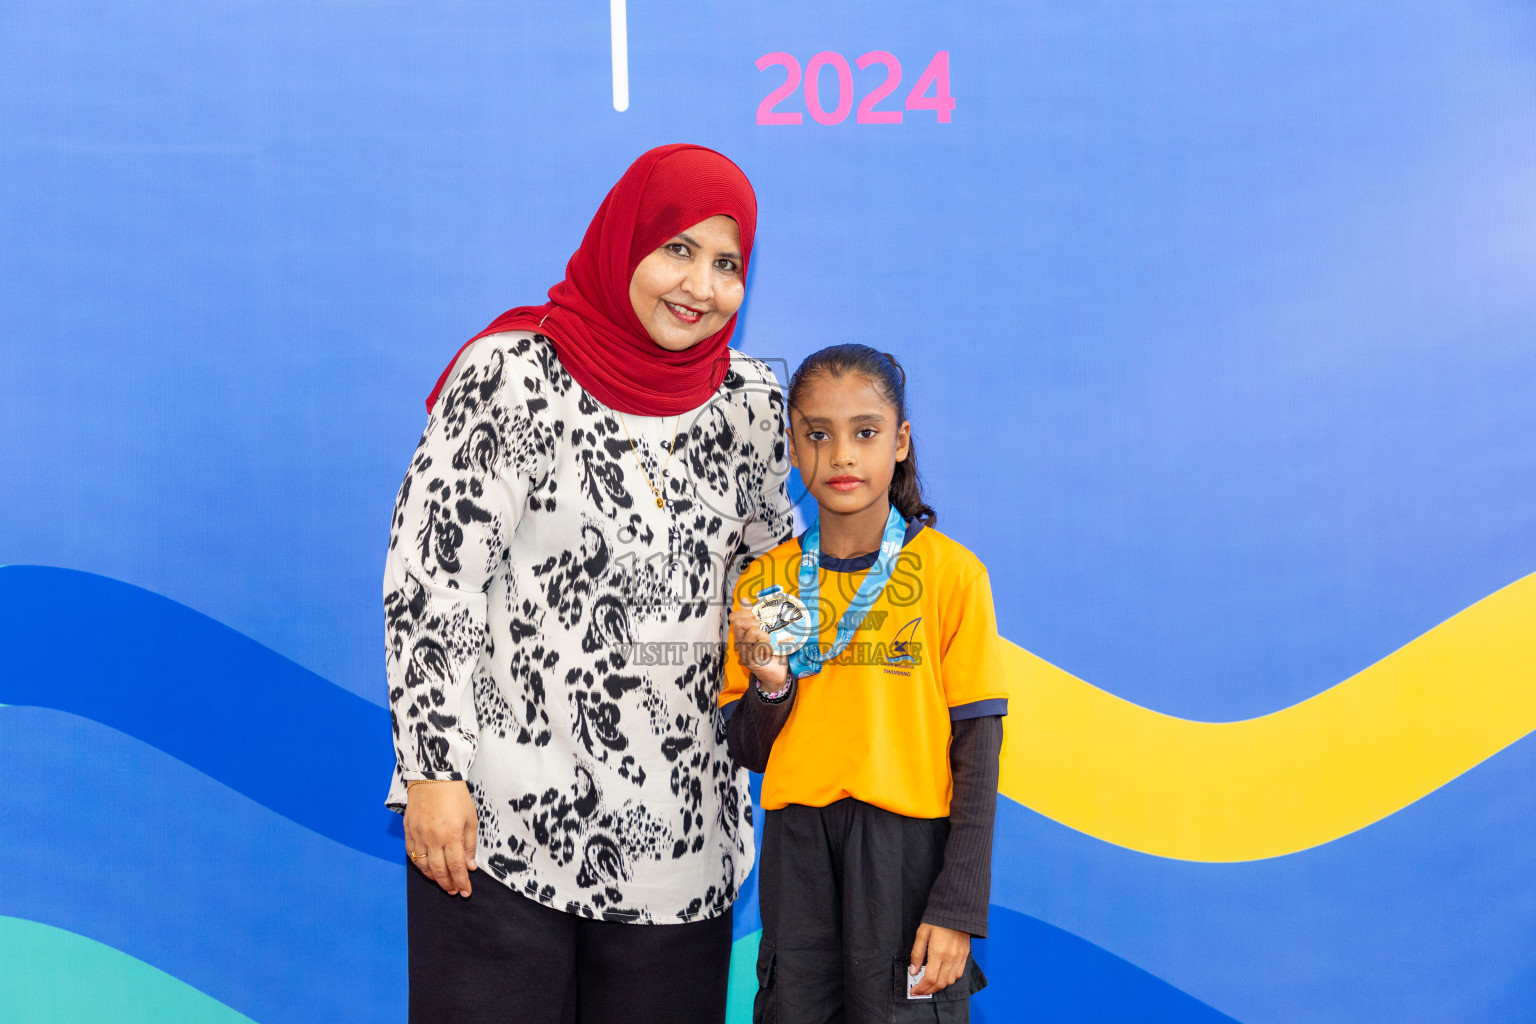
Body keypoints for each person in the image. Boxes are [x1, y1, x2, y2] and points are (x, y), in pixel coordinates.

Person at [384, 144, 793, 1024]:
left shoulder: (754, 405)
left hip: (682, 844)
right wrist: (431, 773)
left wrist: (777, 660)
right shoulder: (513, 375)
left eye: (727, 264)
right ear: (623, 244)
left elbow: (775, 567)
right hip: (496, 831)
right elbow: (431, 581)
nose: (700, 284)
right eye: (676, 249)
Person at [723, 344, 1007, 1023]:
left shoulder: (949, 575)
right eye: (818, 434)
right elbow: (750, 750)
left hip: (907, 855)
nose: (842, 455)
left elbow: (978, 752)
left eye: (866, 432)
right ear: (793, 448)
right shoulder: (768, 581)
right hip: (798, 852)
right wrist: (770, 685)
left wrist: (957, 907)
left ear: (901, 442)